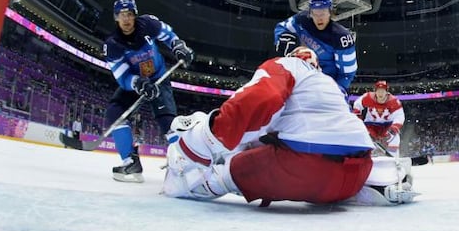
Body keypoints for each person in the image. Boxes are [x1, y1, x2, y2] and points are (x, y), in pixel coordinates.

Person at [161, 47, 417, 206]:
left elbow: (263, 99)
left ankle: (184, 182)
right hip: (358, 170)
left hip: (306, 170)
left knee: (227, 170)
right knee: (265, 147)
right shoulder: (328, 84)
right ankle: (375, 183)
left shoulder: (287, 65)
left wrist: (198, 143)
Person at [104, 0, 194, 183]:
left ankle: (188, 165)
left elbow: (168, 35)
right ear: (116, 18)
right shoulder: (112, 45)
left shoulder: (148, 24)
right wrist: (138, 84)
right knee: (114, 113)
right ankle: (130, 163)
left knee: (168, 122)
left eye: (130, 14)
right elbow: (122, 76)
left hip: (158, 78)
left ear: (135, 15)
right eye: (122, 15)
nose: (126, 19)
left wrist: (178, 46)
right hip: (135, 83)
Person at [273, 0, 357, 93]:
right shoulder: (302, 19)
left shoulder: (342, 37)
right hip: (300, 81)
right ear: (310, 12)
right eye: (315, 13)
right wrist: (284, 42)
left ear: (330, 12)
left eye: (323, 13)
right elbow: (281, 28)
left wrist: (337, 92)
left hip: (325, 86)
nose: (319, 17)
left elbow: (347, 74)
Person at [352, 80, 405, 156]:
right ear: (375, 91)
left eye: (383, 91)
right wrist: (358, 121)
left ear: (386, 92)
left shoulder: (394, 101)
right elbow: (357, 106)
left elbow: (399, 116)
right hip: (370, 126)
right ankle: (365, 158)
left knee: (395, 138)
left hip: (387, 127)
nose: (380, 93)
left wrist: (393, 130)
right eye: (379, 90)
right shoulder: (367, 97)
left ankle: (394, 158)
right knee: (362, 138)